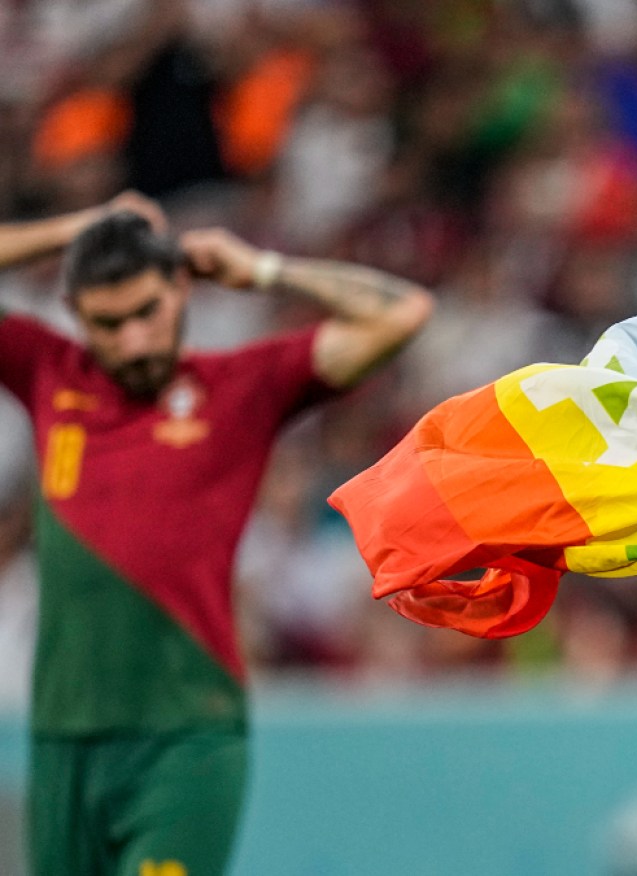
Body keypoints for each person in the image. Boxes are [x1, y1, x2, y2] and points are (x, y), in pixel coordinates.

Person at [0, 191, 433, 875]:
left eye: (148, 311)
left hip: (186, 737)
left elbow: (401, 312)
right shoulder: (50, 372)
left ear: (180, 287)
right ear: (76, 314)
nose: (134, 338)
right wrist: (74, 227)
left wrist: (262, 270)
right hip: (62, 741)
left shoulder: (239, 388)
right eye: (108, 323)